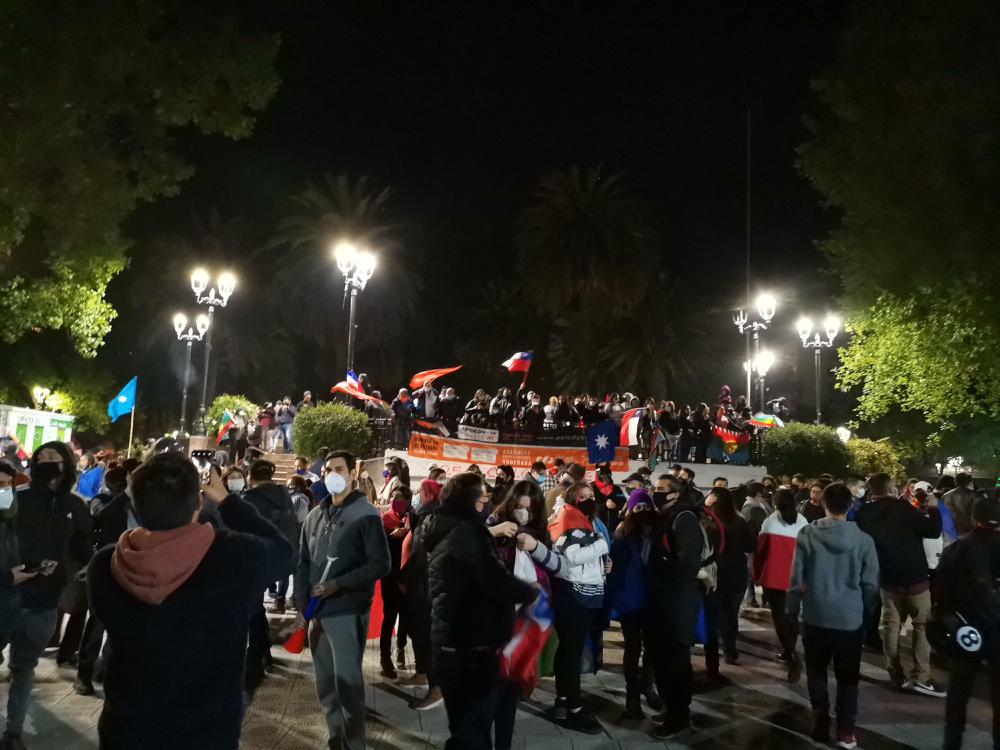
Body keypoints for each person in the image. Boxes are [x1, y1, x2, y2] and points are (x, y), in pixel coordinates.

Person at [88, 451, 293, 749]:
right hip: (206, 730)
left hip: (127, 725)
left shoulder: (106, 564)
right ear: (198, 502)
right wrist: (228, 501)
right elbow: (284, 553)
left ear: (133, 503)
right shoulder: (233, 555)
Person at [422, 473, 535, 749]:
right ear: (471, 501)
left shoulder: (438, 526)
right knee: (472, 733)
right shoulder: (469, 533)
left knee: (462, 727)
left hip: (447, 642)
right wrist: (532, 593)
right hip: (472, 645)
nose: (485, 503)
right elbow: (496, 581)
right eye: (482, 498)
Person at [295, 450, 391, 750]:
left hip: (347, 610)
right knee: (325, 683)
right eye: (327, 470)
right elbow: (303, 562)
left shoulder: (366, 515)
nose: (332, 475)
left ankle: (354, 743)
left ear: (352, 474)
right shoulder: (315, 515)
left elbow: (380, 564)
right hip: (317, 613)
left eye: (339, 469)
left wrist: (338, 584)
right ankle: (336, 736)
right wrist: (301, 605)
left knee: (347, 684)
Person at [6, 443, 91, 748]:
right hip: (7, 595)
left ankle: (13, 732)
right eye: (40, 457)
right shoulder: (15, 497)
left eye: (53, 458)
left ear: (67, 464)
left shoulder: (76, 505)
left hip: (44, 601)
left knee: (24, 667)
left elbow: (83, 544)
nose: (45, 462)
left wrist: (83, 566)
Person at [787, 482, 880, 749]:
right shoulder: (863, 540)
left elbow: (796, 578)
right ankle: (846, 730)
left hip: (815, 615)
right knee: (848, 677)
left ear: (824, 504)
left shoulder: (807, 534)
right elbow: (871, 584)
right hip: (849, 618)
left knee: (816, 671)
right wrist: (865, 612)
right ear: (850, 506)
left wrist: (792, 609)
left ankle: (820, 718)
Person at [856, 472, 945, 696]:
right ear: (891, 488)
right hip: (914, 576)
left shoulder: (863, 513)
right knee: (922, 624)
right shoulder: (902, 508)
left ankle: (895, 672)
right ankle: (921, 676)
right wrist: (933, 509)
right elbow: (932, 531)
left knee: (891, 625)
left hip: (886, 577)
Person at [936, 495, 1000, 750]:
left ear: (974, 518)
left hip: (966, 629)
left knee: (959, 691)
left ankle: (952, 743)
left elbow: (941, 592)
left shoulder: (957, 550)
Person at [546, 481, 610, 734]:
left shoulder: (584, 521)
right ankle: (574, 707)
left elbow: (585, 557)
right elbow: (572, 557)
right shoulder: (569, 519)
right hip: (573, 594)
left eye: (590, 495)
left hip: (581, 591)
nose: (587, 499)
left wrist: (604, 564)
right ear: (572, 499)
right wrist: (601, 545)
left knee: (568, 650)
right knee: (571, 652)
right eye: (582, 496)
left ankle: (563, 700)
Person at [645, 473, 705, 737]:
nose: (655, 493)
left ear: (675, 493)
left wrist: (664, 573)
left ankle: (679, 715)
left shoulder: (685, 519)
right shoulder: (664, 516)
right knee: (661, 658)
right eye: (654, 488)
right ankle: (671, 708)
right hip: (662, 600)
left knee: (675, 662)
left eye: (661, 489)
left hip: (677, 602)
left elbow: (688, 564)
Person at [74, 466, 131, 695]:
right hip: (105, 566)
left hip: (130, 568)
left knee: (121, 625)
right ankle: (84, 672)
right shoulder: (101, 499)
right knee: (97, 623)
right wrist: (126, 495)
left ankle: (106, 669)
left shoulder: (139, 504)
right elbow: (102, 515)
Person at [243, 459, 299, 680]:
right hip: (282, 558)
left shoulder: (250, 500)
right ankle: (264, 652)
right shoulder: (284, 496)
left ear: (251, 477)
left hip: (256, 561)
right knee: (256, 609)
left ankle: (256, 658)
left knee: (253, 611)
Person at [606, 489, 658, 719]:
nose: (642, 511)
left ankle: (648, 684)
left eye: (647, 507)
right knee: (633, 647)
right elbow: (614, 567)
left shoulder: (659, 533)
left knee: (652, 647)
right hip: (630, 599)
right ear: (629, 510)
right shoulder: (621, 533)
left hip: (653, 600)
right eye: (638, 507)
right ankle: (632, 696)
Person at [754, 487, 809, 682]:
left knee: (779, 618)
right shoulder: (803, 521)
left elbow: (760, 551)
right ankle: (789, 651)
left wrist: (757, 575)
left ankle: (791, 654)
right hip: (797, 578)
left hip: (775, 577)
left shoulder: (770, 521)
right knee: (792, 617)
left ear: (775, 503)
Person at [398, 478, 443, 708]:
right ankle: (422, 672)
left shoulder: (431, 517)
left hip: (424, 584)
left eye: (420, 492)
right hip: (418, 583)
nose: (417, 495)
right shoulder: (423, 515)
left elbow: (421, 553)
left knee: (425, 634)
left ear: (429, 495)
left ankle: (436, 688)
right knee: (417, 630)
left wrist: (403, 576)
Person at [702, 487, 755, 679]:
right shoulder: (739, 521)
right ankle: (730, 651)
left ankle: (712, 662)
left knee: (713, 616)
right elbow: (752, 545)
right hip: (736, 572)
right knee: (731, 614)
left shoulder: (708, 521)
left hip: (715, 572)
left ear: (715, 498)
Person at [379, 486, 411, 679]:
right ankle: (385, 657)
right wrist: (391, 536)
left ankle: (401, 646)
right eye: (393, 498)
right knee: (389, 615)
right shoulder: (384, 519)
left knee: (405, 614)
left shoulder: (412, 518)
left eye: (400, 499)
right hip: (390, 575)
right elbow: (377, 545)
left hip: (407, 575)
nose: (396, 501)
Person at [741, 481, 772, 608]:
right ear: (758, 492)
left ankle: (764, 597)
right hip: (755, 543)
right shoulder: (750, 505)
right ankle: (751, 597)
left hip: (762, 542)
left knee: (761, 569)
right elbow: (749, 526)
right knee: (752, 570)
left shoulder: (760, 503)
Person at [942, 472, 977, 536]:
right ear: (968, 482)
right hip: (969, 529)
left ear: (956, 481)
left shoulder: (946, 495)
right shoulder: (974, 495)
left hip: (952, 529)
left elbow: (944, 514)